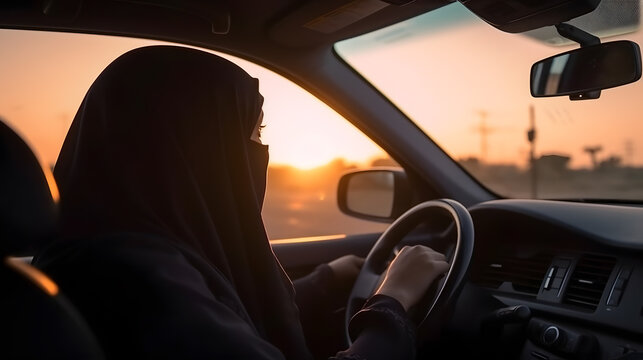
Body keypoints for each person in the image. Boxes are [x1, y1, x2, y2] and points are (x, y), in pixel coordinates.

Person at [34, 45, 448, 359]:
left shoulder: (109, 255)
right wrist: (392, 303)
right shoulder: (143, 287)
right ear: (199, 150)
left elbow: (226, 316)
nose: (262, 151)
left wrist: (328, 278)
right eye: (254, 134)